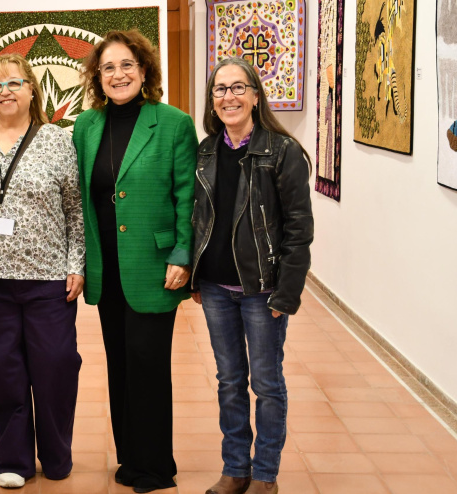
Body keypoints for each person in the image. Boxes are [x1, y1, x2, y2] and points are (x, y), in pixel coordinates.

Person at [73, 29, 198, 493]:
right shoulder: (86, 127)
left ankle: (154, 466)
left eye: (127, 65)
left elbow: (187, 196)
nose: (118, 74)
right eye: (108, 67)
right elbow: (83, 200)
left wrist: (183, 254)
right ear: (97, 77)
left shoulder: (172, 123)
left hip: (155, 264)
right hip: (107, 266)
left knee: (147, 362)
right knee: (119, 363)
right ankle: (128, 456)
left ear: (143, 71)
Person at [0, 53, 85, 489]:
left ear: (32, 89)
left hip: (48, 277)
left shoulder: (57, 141)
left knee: (57, 367)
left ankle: (56, 453)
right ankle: (13, 459)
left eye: (14, 83)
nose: (4, 91)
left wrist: (76, 264)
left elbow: (75, 209)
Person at [191, 57, 313, 494]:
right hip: (216, 290)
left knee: (266, 384)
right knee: (228, 381)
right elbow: (199, 219)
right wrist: (197, 276)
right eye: (220, 90)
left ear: (256, 95)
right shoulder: (205, 152)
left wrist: (286, 295)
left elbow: (300, 231)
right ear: (212, 101)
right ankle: (235, 469)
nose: (229, 97)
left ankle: (265, 476)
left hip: (263, 291)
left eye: (238, 87)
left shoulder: (282, 152)